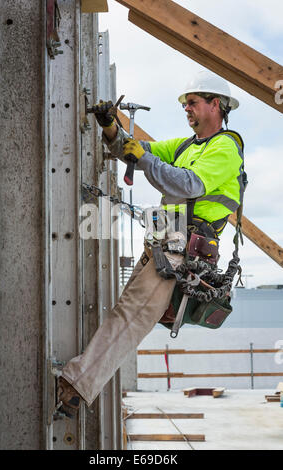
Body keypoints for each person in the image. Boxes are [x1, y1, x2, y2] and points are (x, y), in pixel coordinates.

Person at [57, 70, 245, 417]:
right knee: (126, 314)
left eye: (192, 103)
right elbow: (135, 151)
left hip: (182, 253)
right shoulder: (187, 146)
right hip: (163, 243)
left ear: (215, 105)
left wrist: (144, 160)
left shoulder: (226, 147)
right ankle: (77, 386)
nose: (186, 109)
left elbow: (188, 184)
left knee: (130, 319)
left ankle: (75, 386)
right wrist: (111, 128)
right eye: (185, 104)